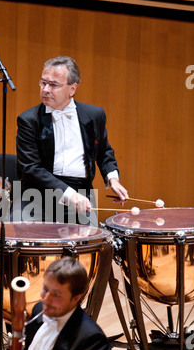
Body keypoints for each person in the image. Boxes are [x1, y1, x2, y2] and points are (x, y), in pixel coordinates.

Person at [14, 55, 128, 224]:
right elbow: (30, 168)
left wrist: (113, 178)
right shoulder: (29, 120)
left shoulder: (93, 115)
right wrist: (69, 194)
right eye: (43, 83)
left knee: (90, 244)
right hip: (36, 194)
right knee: (23, 244)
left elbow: (104, 151)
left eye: (53, 85)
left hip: (80, 193)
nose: (45, 89)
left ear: (72, 89)